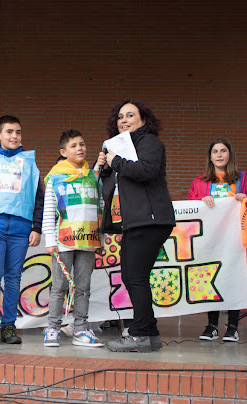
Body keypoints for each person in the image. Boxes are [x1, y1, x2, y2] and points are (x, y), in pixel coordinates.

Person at [98, 99, 175, 352]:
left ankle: (140, 333)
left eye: (130, 115)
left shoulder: (150, 143)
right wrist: (105, 168)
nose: (124, 120)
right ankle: (149, 333)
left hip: (150, 221)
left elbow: (147, 171)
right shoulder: (119, 149)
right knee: (131, 277)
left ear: (143, 120)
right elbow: (111, 188)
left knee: (136, 277)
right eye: (120, 116)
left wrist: (116, 161)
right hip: (134, 222)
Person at [0, 115, 44, 345]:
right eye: (9, 131)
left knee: (13, 279)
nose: (14, 136)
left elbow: (38, 197)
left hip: (21, 229)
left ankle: (9, 326)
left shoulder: (29, 163)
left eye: (18, 132)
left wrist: (37, 227)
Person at [188, 137, 247, 342]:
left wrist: (245, 199)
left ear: (229, 154)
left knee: (234, 280)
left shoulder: (243, 179)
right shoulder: (200, 182)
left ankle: (232, 327)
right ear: (210, 157)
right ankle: (212, 326)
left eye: (223, 151)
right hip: (210, 239)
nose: (219, 155)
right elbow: (191, 208)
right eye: (215, 151)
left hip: (235, 239)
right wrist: (201, 201)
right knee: (210, 279)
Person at [42, 129, 103, 347]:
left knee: (83, 287)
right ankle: (52, 328)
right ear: (63, 151)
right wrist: (50, 241)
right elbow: (49, 210)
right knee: (59, 286)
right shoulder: (56, 177)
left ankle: (80, 330)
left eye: (82, 144)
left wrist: (100, 239)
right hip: (63, 241)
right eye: (74, 145)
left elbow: (100, 207)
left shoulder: (93, 176)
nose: (80, 148)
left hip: (88, 241)